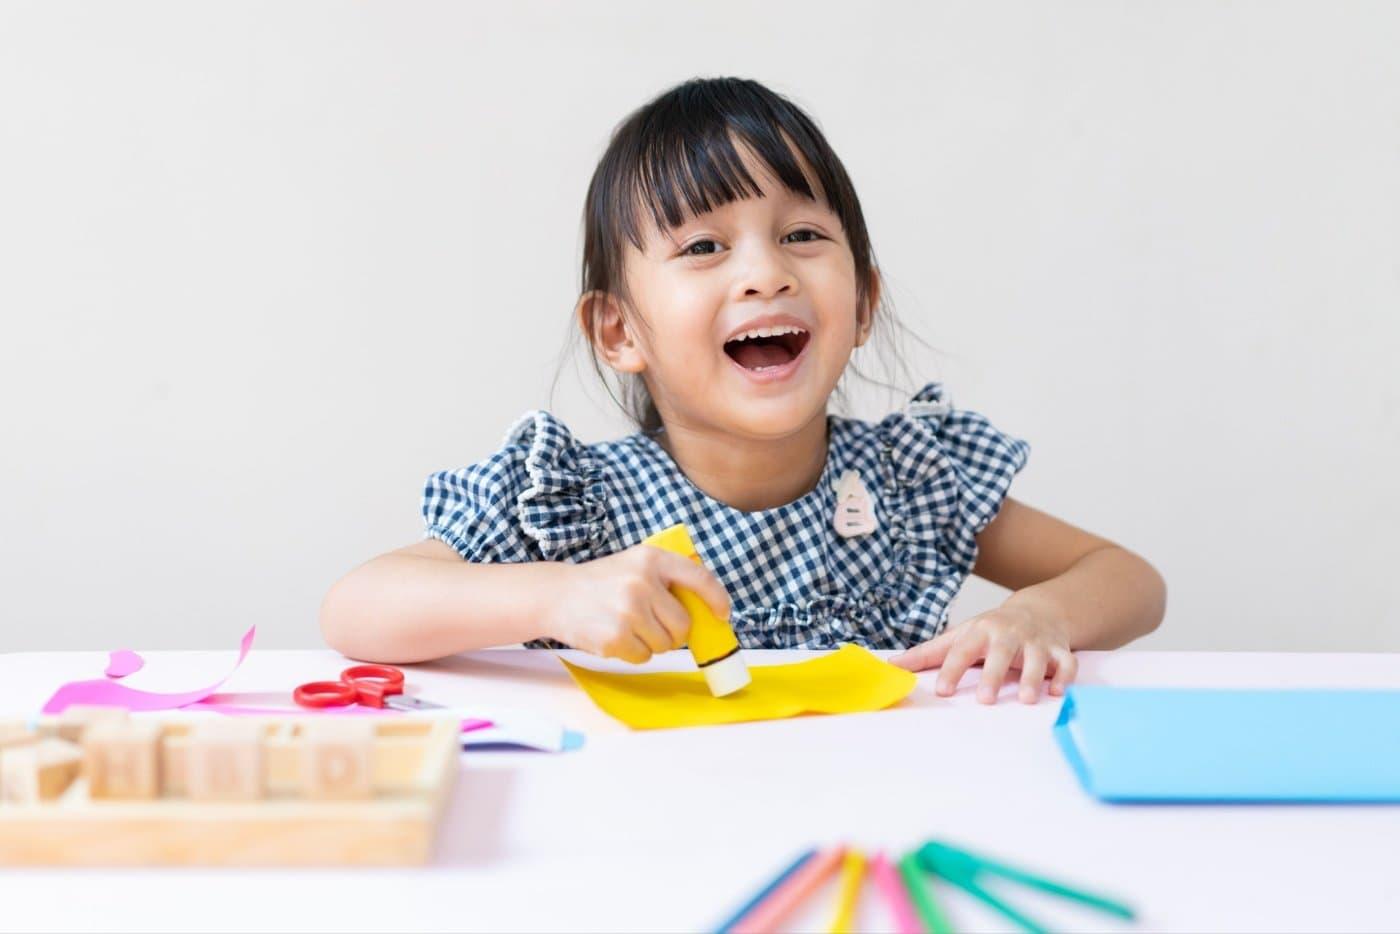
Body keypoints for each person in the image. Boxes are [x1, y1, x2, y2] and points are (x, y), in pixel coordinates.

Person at [320, 77, 1166, 704]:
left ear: (863, 302)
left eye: (802, 235)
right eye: (702, 248)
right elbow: (355, 607)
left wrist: (1041, 616)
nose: (767, 273)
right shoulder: (572, 506)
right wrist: (554, 594)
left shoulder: (911, 484)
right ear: (619, 331)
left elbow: (1129, 579)